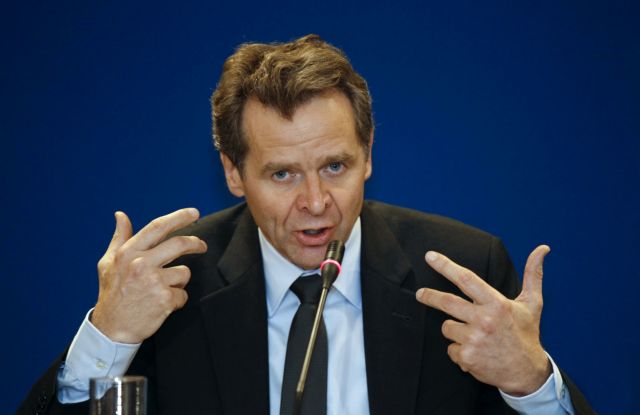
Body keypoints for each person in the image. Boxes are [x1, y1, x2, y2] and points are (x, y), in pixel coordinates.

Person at [18, 34, 594, 414]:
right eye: (283, 174)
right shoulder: (173, 290)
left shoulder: (461, 274)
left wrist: (531, 383)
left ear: (369, 155)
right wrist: (108, 336)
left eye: (335, 166)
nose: (316, 202)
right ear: (233, 173)